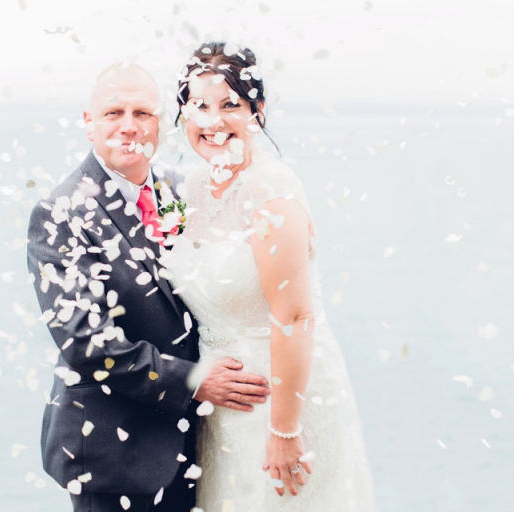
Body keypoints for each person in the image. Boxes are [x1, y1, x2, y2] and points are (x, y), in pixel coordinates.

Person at [26, 63, 271, 512]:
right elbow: (84, 340)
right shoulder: (59, 213)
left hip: (201, 447)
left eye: (142, 113)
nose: (128, 126)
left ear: (161, 123)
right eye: (113, 112)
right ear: (88, 123)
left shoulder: (177, 191)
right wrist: (196, 380)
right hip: (114, 454)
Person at [163, 43, 377, 510]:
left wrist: (285, 430)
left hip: (284, 399)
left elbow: (297, 317)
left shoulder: (271, 190)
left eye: (229, 106)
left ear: (256, 112)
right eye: (198, 105)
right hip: (221, 407)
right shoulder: (186, 189)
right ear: (182, 114)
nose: (212, 122)